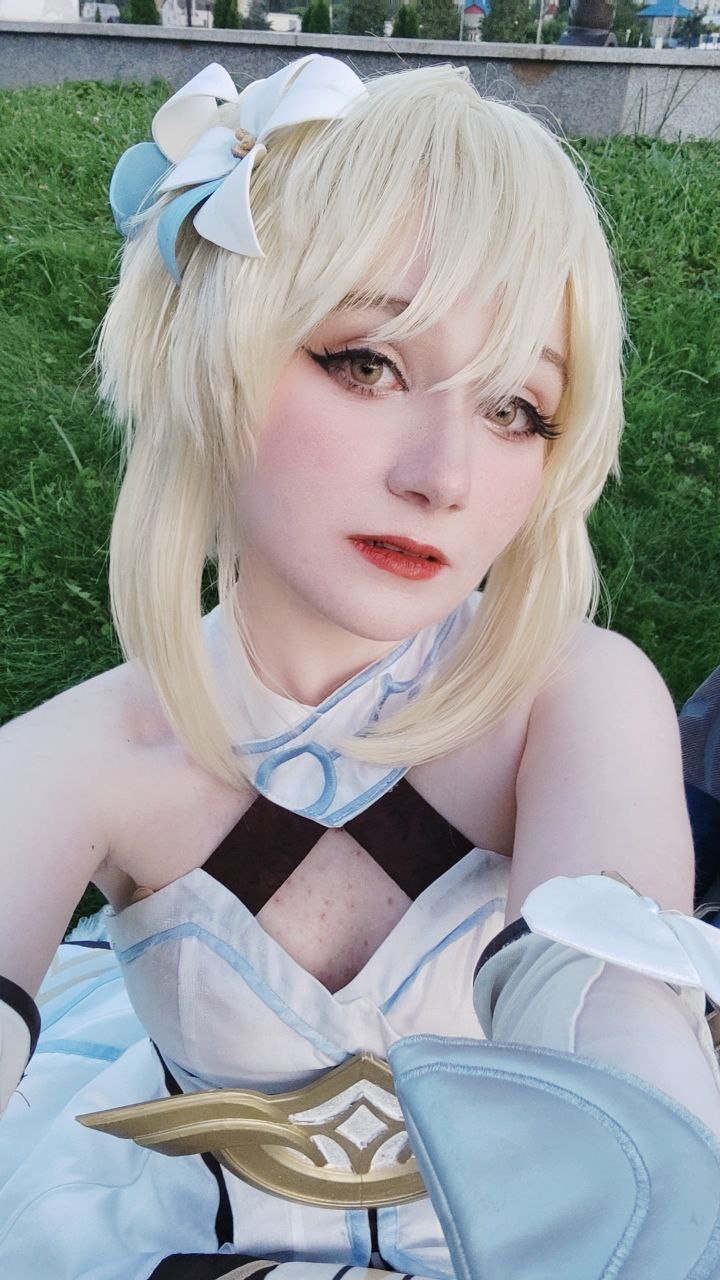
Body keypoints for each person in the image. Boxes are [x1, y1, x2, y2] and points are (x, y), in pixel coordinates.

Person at [1, 53, 720, 1280]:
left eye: (515, 409)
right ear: (212, 350)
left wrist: (657, 1153)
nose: (444, 475)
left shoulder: (574, 699)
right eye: (367, 362)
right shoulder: (78, 762)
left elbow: (607, 1010)